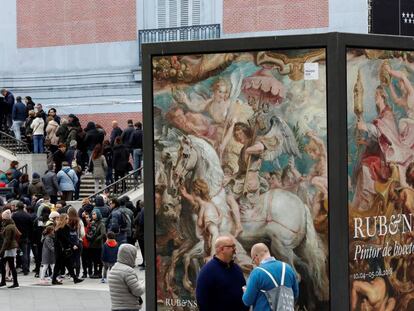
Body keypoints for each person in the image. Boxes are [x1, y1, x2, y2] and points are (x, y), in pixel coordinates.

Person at [196, 236, 249, 311]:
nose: (235, 249)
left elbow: (244, 291)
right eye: (232, 246)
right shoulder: (207, 271)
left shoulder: (237, 268)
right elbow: (202, 300)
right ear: (222, 249)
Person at [242, 243, 299, 310]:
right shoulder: (288, 268)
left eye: (253, 261)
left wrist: (246, 291)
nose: (255, 263)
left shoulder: (257, 273)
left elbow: (247, 301)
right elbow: (295, 294)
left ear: (256, 257)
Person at [108, 244, 145, 310]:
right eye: (134, 255)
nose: (135, 257)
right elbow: (138, 291)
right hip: (129, 307)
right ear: (130, 255)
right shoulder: (128, 271)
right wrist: (146, 283)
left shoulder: (114, 268)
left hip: (116, 307)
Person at [51, 213, 84, 285]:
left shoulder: (59, 228)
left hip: (61, 249)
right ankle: (54, 280)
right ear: (64, 219)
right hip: (62, 250)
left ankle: (75, 278)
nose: (68, 220)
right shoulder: (62, 228)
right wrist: (72, 245)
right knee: (59, 265)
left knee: (67, 264)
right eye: (67, 218)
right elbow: (65, 239)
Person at [0, 209, 20, 288]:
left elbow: (7, 240)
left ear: (5, 219)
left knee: (4, 264)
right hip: (11, 247)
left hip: (9, 248)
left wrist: (2, 250)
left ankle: (4, 282)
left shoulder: (8, 227)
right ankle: (13, 283)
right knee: (10, 265)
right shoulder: (11, 225)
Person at [11, 202, 32, 276]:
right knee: (25, 253)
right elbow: (30, 227)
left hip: (16, 237)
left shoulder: (14, 215)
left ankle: (16, 267)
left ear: (17, 207)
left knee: (15, 253)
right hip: (25, 236)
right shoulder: (28, 215)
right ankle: (25, 269)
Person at [87, 209, 106, 279]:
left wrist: (96, 239)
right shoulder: (92, 223)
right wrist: (89, 237)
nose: (93, 215)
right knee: (94, 259)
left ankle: (99, 273)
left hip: (98, 245)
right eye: (92, 214)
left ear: (98, 214)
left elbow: (103, 234)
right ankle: (95, 272)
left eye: (94, 214)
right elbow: (89, 232)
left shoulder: (101, 223)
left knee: (99, 259)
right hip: (92, 244)